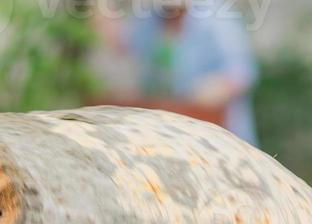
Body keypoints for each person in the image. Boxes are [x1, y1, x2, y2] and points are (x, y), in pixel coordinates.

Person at [95, 0, 260, 145]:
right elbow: (122, 43)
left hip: (219, 137)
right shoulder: (150, 17)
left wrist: (215, 88)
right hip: (165, 136)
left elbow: (241, 72)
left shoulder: (217, 17)